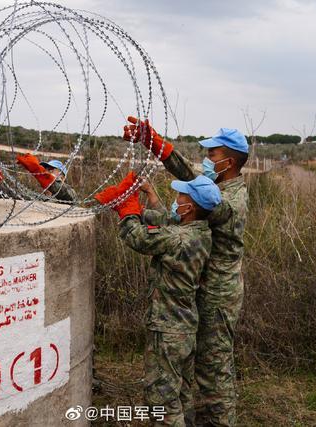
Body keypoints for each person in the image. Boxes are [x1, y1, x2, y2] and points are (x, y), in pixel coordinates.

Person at [123, 117, 249, 426]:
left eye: (213, 155)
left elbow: (198, 193)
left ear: (229, 161)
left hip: (217, 296)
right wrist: (154, 144)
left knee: (214, 371)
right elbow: (193, 184)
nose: (207, 159)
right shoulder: (219, 186)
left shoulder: (229, 200)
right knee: (194, 368)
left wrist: (160, 150)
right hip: (201, 291)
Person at [95, 172, 222, 426]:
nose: (176, 200)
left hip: (167, 330)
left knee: (161, 401)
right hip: (185, 328)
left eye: (180, 196)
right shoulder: (200, 232)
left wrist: (128, 209)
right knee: (180, 393)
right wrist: (151, 195)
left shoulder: (178, 238)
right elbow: (168, 221)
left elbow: (137, 237)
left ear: (189, 207)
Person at [0, 147, 76, 202]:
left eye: (51, 170)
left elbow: (65, 193)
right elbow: (8, 195)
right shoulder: (39, 199)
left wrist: (39, 171)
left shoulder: (69, 195)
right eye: (45, 169)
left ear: (62, 177)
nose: (46, 171)